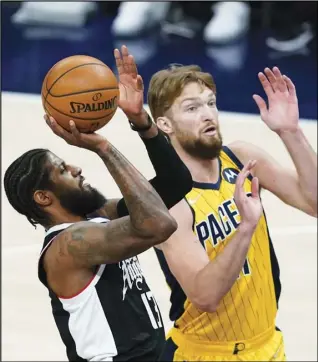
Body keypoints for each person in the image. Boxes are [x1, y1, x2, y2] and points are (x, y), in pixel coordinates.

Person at [3, 46, 194, 361]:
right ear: (43, 196)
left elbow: (176, 185)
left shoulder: (93, 215)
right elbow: (160, 224)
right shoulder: (68, 247)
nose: (76, 168)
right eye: (63, 170)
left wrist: (141, 122)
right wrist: (102, 147)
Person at [145, 64, 317, 361]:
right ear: (165, 125)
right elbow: (205, 296)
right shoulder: (167, 201)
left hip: (267, 346)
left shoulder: (241, 159)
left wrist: (290, 132)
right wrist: (246, 228)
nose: (208, 114)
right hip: (204, 354)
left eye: (210, 103)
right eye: (192, 108)